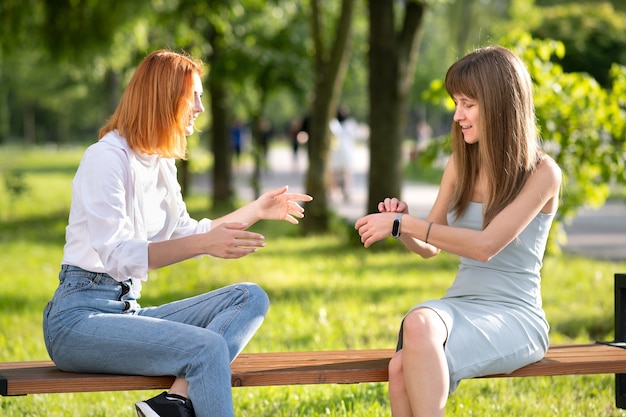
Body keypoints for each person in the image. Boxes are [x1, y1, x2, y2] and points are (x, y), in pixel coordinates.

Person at [42, 49, 312, 417]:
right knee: (207, 349)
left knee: (250, 298)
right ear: (165, 98)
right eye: (194, 97)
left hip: (127, 311)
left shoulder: (160, 162)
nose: (200, 108)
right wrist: (204, 243)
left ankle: (173, 403)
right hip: (77, 320)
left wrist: (256, 210)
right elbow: (119, 255)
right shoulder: (105, 158)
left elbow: (186, 231)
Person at [354, 45, 562, 417]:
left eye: (468, 104)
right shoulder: (460, 164)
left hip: (515, 315)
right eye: (456, 103)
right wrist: (402, 228)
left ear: (499, 105)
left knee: (404, 360)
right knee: (408, 344)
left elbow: (485, 247)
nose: (457, 115)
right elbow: (430, 247)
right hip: (461, 304)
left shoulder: (543, 173)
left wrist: (407, 223)